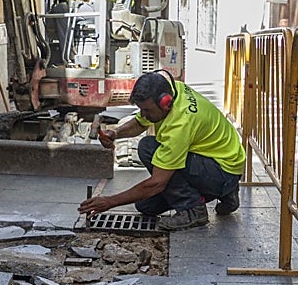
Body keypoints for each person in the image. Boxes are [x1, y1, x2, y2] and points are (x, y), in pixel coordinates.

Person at [78, 70, 245, 231]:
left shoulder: (180, 124)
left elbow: (157, 183)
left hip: (222, 170)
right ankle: (227, 193)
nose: (143, 114)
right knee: (145, 206)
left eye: (147, 110)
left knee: (148, 148)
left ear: (166, 103)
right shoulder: (174, 89)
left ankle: (194, 210)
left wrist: (109, 202)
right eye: (141, 108)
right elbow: (140, 122)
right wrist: (116, 132)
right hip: (223, 162)